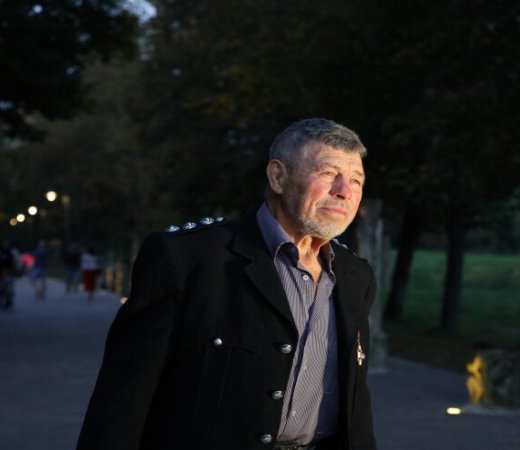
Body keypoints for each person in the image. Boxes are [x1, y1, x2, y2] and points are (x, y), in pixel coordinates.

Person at [77, 118, 377, 450]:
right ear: (278, 177)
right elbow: (123, 400)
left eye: (356, 180)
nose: (344, 191)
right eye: (327, 173)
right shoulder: (188, 258)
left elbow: (355, 407)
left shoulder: (356, 276)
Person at [0, 240, 22, 310]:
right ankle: (0, 300)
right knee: (1, 287)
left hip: (10, 272)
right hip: (0, 272)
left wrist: (18, 268)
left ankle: (9, 301)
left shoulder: (12, 252)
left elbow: (17, 261)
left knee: (10, 287)